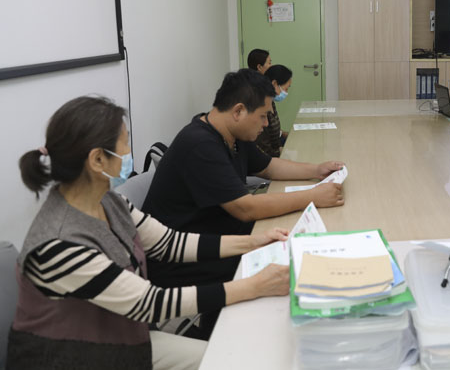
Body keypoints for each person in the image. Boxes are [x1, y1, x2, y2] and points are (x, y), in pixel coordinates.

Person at [8, 96, 290, 370]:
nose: (128, 151)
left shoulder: (110, 202)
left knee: (236, 357)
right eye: (125, 142)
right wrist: (255, 286)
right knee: (233, 361)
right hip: (75, 358)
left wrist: (253, 242)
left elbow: (170, 243)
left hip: (121, 336)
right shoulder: (59, 244)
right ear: (97, 159)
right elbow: (149, 303)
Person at [141, 70, 343, 312]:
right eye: (263, 116)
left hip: (217, 236)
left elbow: (268, 167)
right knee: (287, 270)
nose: (266, 124)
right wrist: (313, 196)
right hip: (184, 260)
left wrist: (317, 170)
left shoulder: (232, 134)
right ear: (238, 111)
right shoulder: (199, 144)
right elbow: (246, 209)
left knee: (297, 243)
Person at [253, 64, 291, 157]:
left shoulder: (271, 101)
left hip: (275, 149)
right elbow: (263, 149)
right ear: (274, 84)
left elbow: (274, 132)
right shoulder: (261, 105)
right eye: (286, 89)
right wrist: (281, 152)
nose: (286, 93)